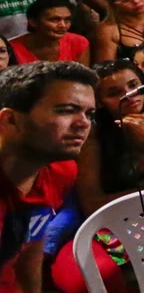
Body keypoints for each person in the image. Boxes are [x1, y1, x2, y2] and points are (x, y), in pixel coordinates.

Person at [51, 59, 144, 293]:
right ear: (100, 102)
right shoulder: (94, 138)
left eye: (134, 84)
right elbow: (91, 204)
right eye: (115, 92)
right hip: (124, 219)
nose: (130, 95)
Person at [0, 62, 96, 291]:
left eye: (89, 113)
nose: (83, 123)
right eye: (66, 110)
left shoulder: (61, 172)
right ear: (10, 120)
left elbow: (29, 256)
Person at [9, 0, 88, 65]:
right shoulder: (11, 49)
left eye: (67, 20)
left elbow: (84, 80)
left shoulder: (78, 42)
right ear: (33, 22)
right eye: (54, 19)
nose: (63, 25)